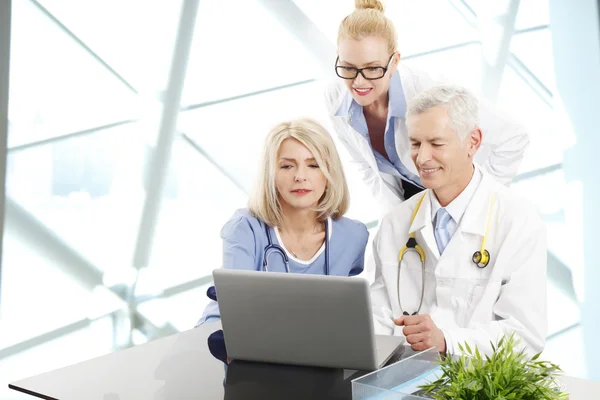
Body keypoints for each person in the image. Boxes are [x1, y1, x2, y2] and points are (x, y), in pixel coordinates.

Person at [370, 85, 547, 356]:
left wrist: (447, 342)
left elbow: (525, 336)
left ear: (473, 142)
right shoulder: (395, 224)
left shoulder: (517, 220)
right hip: (403, 383)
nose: (422, 157)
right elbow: (378, 319)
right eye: (416, 143)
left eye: (437, 143)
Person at [325, 0, 529, 217]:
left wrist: (475, 204)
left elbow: (513, 136)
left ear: (394, 62)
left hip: (459, 194)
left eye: (373, 68)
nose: (359, 82)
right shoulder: (336, 98)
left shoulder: (431, 92)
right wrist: (399, 223)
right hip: (414, 200)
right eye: (348, 67)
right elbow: (369, 169)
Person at [196, 117, 369, 327]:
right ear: (271, 174)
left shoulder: (353, 236)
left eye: (314, 165)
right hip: (226, 337)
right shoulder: (245, 228)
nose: (300, 176)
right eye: (287, 166)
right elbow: (235, 310)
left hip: (303, 347)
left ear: (329, 173)